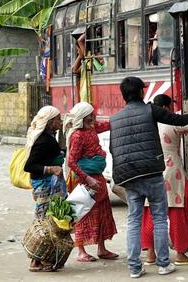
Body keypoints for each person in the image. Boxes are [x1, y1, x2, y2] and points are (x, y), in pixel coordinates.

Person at [109, 76, 188, 279]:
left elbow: (113, 149)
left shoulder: (115, 118)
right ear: (141, 92)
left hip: (129, 176)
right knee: (160, 218)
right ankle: (163, 264)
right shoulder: (150, 110)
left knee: (134, 221)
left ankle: (135, 268)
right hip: (152, 173)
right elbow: (179, 120)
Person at [141, 94, 188, 266]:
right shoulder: (171, 122)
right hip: (172, 170)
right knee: (177, 212)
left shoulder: (146, 123)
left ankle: (150, 254)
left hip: (151, 169)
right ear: (166, 108)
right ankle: (180, 254)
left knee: (149, 212)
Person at [66, 102, 118, 263]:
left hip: (97, 178)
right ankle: (81, 251)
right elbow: (71, 162)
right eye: (91, 114)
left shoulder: (92, 128)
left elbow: (109, 124)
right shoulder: (77, 135)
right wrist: (87, 179)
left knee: (102, 213)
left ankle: (101, 249)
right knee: (83, 214)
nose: (94, 116)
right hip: (84, 181)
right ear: (83, 117)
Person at [23, 106, 66, 272]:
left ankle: (44, 258)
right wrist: (51, 169)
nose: (60, 122)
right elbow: (29, 166)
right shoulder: (42, 140)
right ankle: (35, 260)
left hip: (47, 185)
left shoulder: (49, 137)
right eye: (57, 120)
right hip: (43, 185)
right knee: (44, 223)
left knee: (48, 222)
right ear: (49, 122)